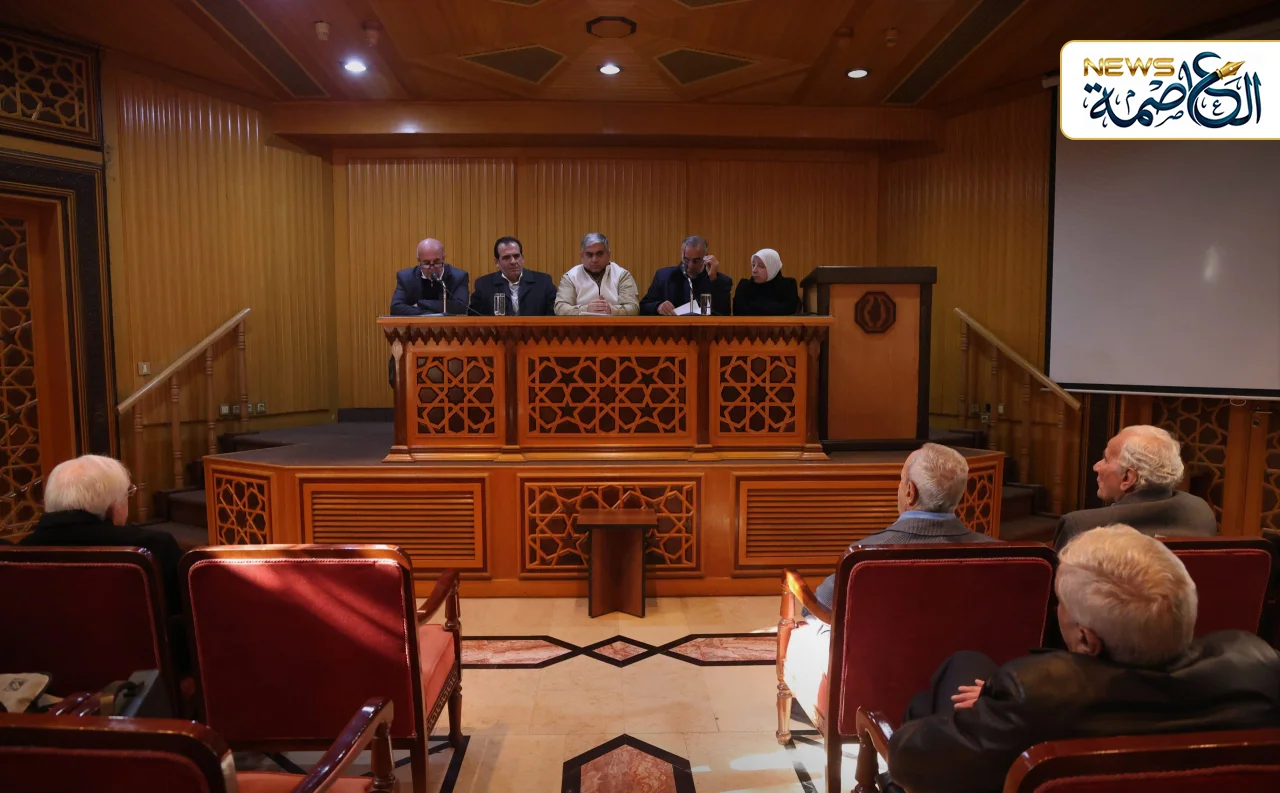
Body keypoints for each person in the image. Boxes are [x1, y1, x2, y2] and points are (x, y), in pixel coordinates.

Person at [885, 524, 1280, 793]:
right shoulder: (1258, 667)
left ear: (1087, 640)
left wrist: (992, 706)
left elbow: (908, 758)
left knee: (955, 674)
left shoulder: (1036, 696)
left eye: (1061, 602)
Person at [19, 455, 188, 668]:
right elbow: (189, 619)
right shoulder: (154, 547)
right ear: (113, 506)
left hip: (42, 676)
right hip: (139, 677)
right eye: (127, 494)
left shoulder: (17, 553)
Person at [813, 443, 996, 611]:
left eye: (901, 480)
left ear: (910, 492)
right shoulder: (998, 554)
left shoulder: (862, 557)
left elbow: (817, 609)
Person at [1053, 424, 1216, 550]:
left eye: (1106, 459)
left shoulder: (1081, 527)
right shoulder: (1200, 511)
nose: (1096, 466)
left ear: (1128, 478)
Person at [640, 235, 732, 316]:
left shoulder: (720, 281)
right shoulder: (664, 276)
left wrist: (713, 279)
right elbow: (643, 307)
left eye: (696, 261)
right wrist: (657, 306)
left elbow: (724, 313)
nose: (691, 266)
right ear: (682, 255)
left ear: (706, 257)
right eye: (686, 260)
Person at [554, 232, 639, 316]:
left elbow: (633, 308)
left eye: (599, 254)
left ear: (609, 254)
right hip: (580, 325)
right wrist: (586, 309)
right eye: (589, 254)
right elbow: (560, 308)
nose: (594, 259)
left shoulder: (622, 275)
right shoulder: (571, 277)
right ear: (582, 256)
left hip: (614, 325)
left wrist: (612, 310)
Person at [469, 236, 555, 316]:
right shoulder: (484, 285)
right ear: (497, 262)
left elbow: (553, 315)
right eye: (506, 257)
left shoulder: (543, 282)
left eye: (516, 256)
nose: (513, 261)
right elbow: (475, 319)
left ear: (522, 258)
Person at [390, 238, 469, 316]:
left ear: (443, 258)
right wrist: (429, 314)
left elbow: (461, 307)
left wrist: (421, 303)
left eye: (436, 262)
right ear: (419, 261)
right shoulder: (406, 278)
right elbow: (396, 308)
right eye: (426, 263)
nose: (432, 268)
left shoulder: (458, 277)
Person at [733, 248, 799, 316]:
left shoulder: (788, 285)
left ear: (772, 268)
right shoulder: (744, 286)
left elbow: (788, 310)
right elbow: (738, 312)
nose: (754, 270)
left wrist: (754, 306)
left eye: (761, 266)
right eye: (753, 265)